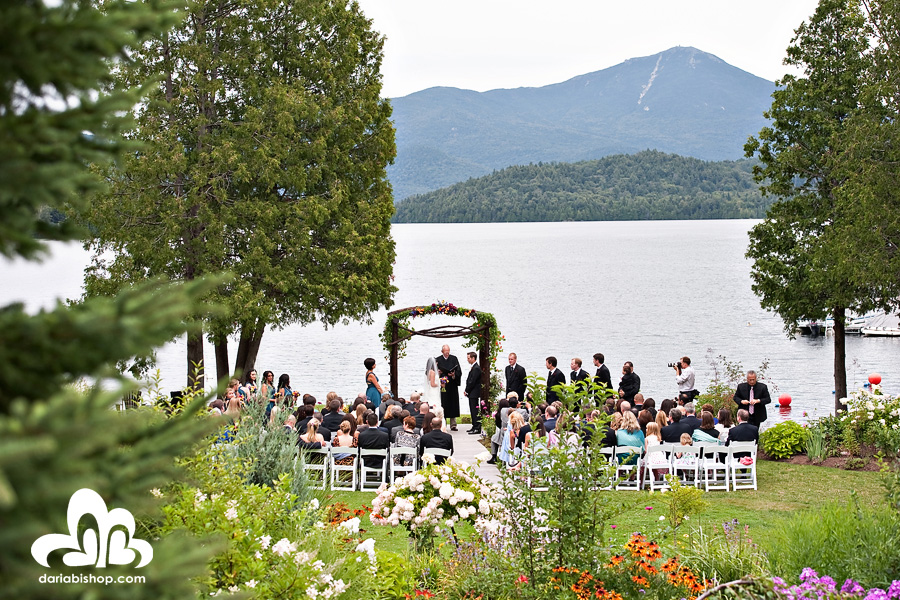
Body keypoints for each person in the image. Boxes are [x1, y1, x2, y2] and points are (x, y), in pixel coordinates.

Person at [436, 345, 462, 430]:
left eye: (448, 351)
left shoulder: (454, 359)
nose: (447, 353)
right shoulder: (438, 359)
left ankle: (453, 424)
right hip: (443, 385)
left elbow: (459, 371)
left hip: (452, 385)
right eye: (445, 351)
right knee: (443, 404)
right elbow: (433, 372)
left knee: (453, 404)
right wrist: (439, 373)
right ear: (442, 351)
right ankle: (443, 424)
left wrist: (454, 375)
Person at [464, 351, 483, 434]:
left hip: (474, 392)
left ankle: (477, 427)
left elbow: (472, 381)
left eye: (468, 358)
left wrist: (467, 390)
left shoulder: (476, 368)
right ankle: (474, 425)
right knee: (472, 410)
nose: (467, 360)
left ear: (473, 358)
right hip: (472, 392)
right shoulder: (473, 367)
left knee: (475, 410)